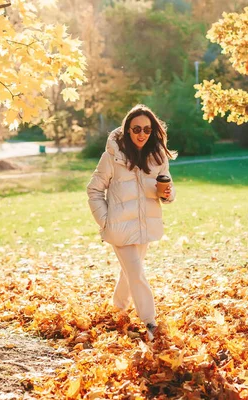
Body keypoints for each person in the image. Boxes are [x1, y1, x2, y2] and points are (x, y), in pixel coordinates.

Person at [86, 104, 176, 341]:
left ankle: (117, 310)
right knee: (136, 272)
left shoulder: (157, 156)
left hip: (145, 226)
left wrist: (167, 194)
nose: (142, 134)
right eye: (136, 128)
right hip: (118, 228)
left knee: (129, 274)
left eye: (147, 129)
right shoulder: (112, 157)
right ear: (127, 130)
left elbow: (168, 189)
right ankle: (150, 322)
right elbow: (94, 190)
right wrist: (106, 221)